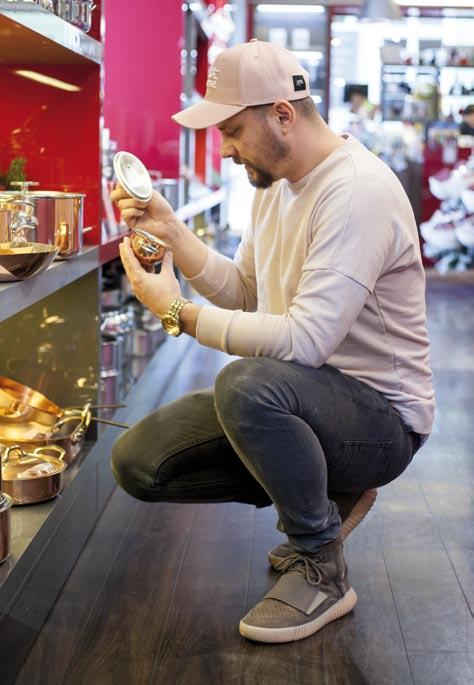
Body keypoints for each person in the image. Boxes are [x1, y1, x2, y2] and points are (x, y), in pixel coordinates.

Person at [110, 40, 435, 644]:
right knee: (140, 462)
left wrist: (176, 311)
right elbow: (244, 290)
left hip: (382, 419)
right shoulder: (279, 186)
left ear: (282, 114)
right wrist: (172, 232)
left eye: (233, 130)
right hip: (305, 399)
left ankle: (319, 561)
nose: (225, 148)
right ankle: (325, 495)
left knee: (247, 383)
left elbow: (305, 340)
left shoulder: (355, 191)